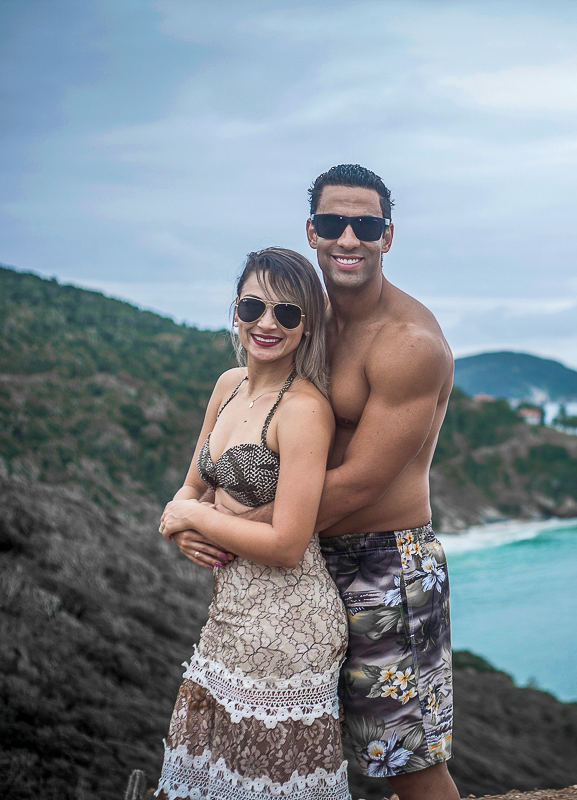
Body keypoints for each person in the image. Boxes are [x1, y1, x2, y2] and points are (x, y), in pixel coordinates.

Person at [174, 165, 459, 800]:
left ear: (389, 235)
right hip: (300, 567)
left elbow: (359, 482)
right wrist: (201, 511)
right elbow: (255, 412)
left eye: (366, 224)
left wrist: (221, 528)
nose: (349, 238)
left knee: (406, 760)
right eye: (333, 223)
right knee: (287, 750)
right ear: (312, 231)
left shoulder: (410, 344)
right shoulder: (301, 320)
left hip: (382, 565)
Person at [155, 248, 350, 800]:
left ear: (306, 324)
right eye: (253, 306)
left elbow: (288, 543)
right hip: (228, 615)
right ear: (236, 310)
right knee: (212, 781)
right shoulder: (228, 385)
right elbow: (192, 486)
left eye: (287, 313)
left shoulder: (305, 411)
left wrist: (194, 518)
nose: (267, 323)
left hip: (289, 627)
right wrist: (182, 524)